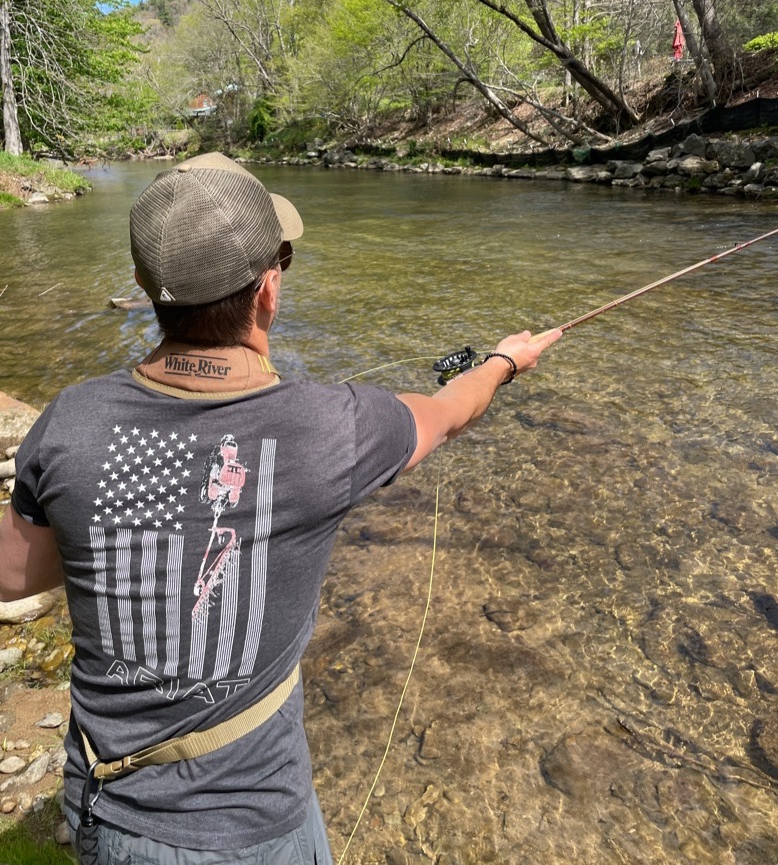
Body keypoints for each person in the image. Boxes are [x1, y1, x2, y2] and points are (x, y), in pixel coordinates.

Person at [0, 152, 561, 865]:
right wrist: (504, 361)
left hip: (108, 809)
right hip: (258, 828)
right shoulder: (335, 425)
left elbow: (15, 579)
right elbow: (451, 411)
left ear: (144, 287)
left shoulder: (72, 419)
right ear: (268, 289)